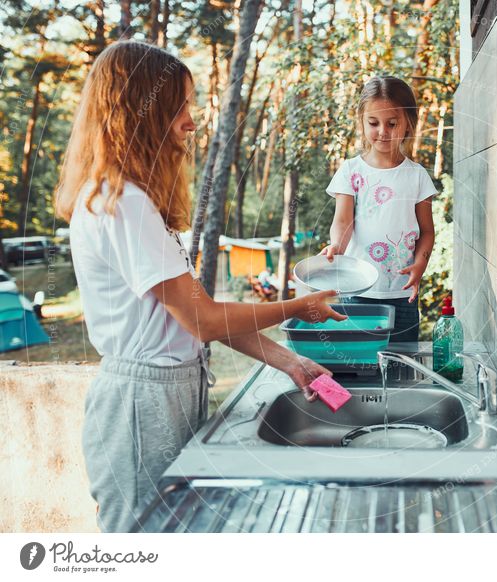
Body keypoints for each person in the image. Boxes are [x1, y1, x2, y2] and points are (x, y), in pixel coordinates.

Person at [54, 40, 345, 533]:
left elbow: (196, 319)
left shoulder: (134, 199)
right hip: (140, 407)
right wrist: (298, 307)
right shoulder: (120, 202)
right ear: (139, 111)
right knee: (144, 546)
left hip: (163, 396)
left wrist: (291, 361)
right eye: (180, 106)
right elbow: (204, 319)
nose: (191, 120)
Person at [321, 76, 437, 342]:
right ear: (362, 121)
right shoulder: (351, 170)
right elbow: (343, 221)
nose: (383, 131)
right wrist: (337, 246)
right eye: (374, 123)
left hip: (402, 294)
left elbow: (427, 232)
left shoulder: (417, 176)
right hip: (357, 291)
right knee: (360, 365)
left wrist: (420, 265)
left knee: (400, 366)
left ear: (408, 123)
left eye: (392, 123)